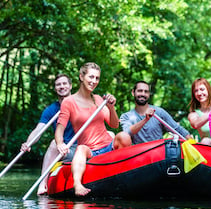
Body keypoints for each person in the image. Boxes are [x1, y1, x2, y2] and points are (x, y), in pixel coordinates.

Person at [55, 62, 131, 197]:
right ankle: (77, 184)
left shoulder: (98, 99)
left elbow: (114, 125)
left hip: (108, 146)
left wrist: (111, 107)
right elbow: (59, 130)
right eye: (91, 77)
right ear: (81, 77)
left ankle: (128, 173)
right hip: (90, 151)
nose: (94, 81)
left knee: (123, 136)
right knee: (80, 149)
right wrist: (60, 144)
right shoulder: (69, 102)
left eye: (97, 78)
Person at [21, 73, 76, 195]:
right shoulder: (51, 110)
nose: (61, 87)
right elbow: (38, 129)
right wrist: (28, 142)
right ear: (55, 88)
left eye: (64, 83)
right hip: (65, 150)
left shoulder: (80, 102)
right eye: (58, 84)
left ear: (70, 86)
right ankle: (42, 184)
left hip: (82, 146)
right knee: (53, 143)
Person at [120, 81, 192, 144]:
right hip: (138, 156)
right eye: (140, 91)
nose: (143, 94)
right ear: (133, 92)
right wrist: (145, 120)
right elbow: (127, 133)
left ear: (149, 94)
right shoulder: (126, 116)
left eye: (146, 92)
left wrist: (192, 143)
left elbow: (177, 129)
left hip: (158, 154)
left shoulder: (159, 112)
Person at [188, 78, 211, 145]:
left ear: (208, 90)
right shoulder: (193, 114)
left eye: (202, 89)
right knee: (205, 140)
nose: (199, 93)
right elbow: (195, 124)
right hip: (210, 147)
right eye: (196, 91)